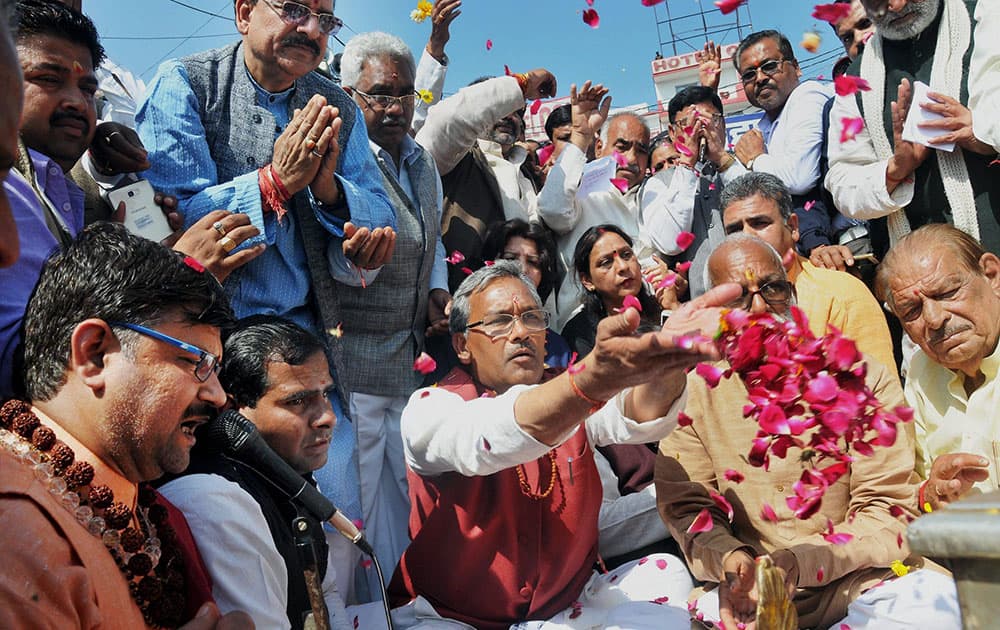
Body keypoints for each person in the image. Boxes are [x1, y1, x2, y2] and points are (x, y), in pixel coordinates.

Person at [388, 261, 742, 629]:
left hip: (565, 606)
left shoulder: (569, 388)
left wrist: (669, 365)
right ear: (462, 345)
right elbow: (486, 435)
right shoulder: (430, 408)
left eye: (531, 317)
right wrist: (589, 384)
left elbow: (633, 413)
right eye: (499, 322)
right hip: (455, 618)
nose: (520, 332)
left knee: (666, 577)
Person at [655, 232, 960, 630]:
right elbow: (689, 510)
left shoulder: (861, 377)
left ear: (793, 295)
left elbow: (888, 506)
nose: (760, 306)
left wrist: (801, 562)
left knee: (930, 609)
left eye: (773, 289)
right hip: (747, 598)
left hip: (860, 582)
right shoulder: (691, 397)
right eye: (738, 297)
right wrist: (733, 561)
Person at [1, 0, 263, 398]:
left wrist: (124, 251)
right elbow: (39, 364)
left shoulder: (69, 191)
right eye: (48, 79)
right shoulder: (11, 189)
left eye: (88, 88)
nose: (75, 101)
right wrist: (179, 274)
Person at [0, 222, 250, 629]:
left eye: (216, 368)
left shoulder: (146, 512)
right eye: (194, 361)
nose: (218, 396)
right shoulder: (15, 526)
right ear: (94, 354)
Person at [160, 316, 384, 630]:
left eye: (325, 395)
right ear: (234, 412)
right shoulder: (213, 501)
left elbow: (325, 589)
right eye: (297, 401)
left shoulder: (287, 472)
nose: (328, 417)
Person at [337, 30, 451, 582]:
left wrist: (436, 288)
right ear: (349, 94)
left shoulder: (422, 161)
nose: (395, 107)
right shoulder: (340, 162)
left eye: (405, 95)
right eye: (381, 95)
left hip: (406, 356)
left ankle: (402, 594)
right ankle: (366, 604)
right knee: (361, 496)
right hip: (353, 362)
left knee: (405, 490)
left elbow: (432, 237)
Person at [825, 0, 1000, 258]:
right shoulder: (855, 79)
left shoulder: (985, 15)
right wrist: (896, 169)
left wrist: (981, 132)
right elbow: (842, 182)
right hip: (919, 274)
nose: (894, 6)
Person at [874, 224, 1000, 511]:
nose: (933, 319)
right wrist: (929, 495)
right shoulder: (921, 369)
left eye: (946, 293)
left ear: (992, 275)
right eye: (912, 311)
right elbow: (909, 486)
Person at [721, 172, 898, 374]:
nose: (747, 237)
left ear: (793, 227)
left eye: (760, 223)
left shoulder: (841, 294)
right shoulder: (724, 306)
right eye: (735, 230)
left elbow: (879, 393)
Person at [415, 68, 556, 291]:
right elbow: (448, 120)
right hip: (463, 300)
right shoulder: (454, 156)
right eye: (503, 108)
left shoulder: (527, 172)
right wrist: (520, 85)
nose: (511, 116)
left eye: (518, 112)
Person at [537, 85, 663, 330]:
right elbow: (551, 210)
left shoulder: (655, 196)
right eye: (622, 146)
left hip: (648, 324)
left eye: (641, 150)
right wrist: (580, 137)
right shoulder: (583, 193)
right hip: (589, 331)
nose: (631, 158)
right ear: (599, 149)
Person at [732, 30, 841, 258]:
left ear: (796, 67)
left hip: (842, 244)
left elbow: (800, 178)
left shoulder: (807, 95)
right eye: (749, 74)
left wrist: (755, 159)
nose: (760, 78)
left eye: (770, 66)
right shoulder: (763, 126)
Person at [645, 86, 748, 298]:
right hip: (700, 306)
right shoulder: (658, 184)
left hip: (752, 291)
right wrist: (687, 164)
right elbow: (669, 241)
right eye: (688, 124)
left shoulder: (744, 162)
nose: (700, 130)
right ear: (673, 134)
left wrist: (721, 158)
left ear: (723, 123)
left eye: (709, 121)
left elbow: (757, 209)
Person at [561, 224, 679, 358]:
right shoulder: (580, 334)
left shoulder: (662, 308)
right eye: (606, 262)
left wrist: (672, 307)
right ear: (588, 281)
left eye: (627, 255)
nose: (623, 266)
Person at [481, 218, 571, 368]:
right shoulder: (469, 333)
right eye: (510, 258)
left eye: (533, 262)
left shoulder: (557, 350)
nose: (522, 269)